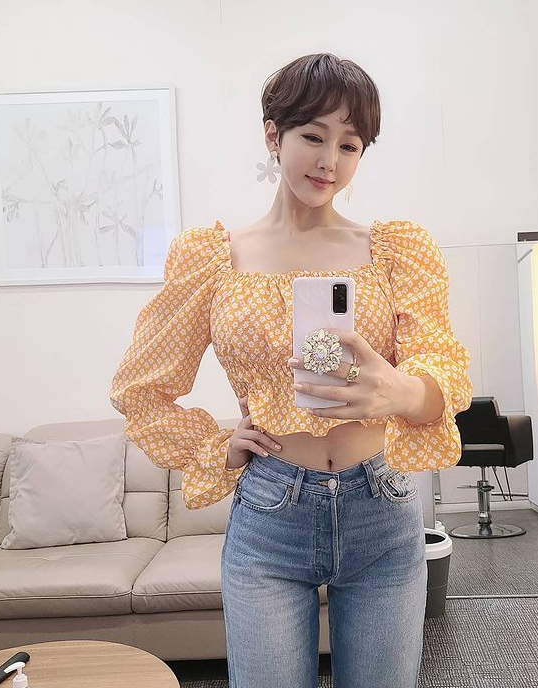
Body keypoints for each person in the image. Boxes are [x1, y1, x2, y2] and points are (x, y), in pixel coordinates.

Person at [109, 52, 473, 688]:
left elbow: (443, 367)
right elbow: (141, 388)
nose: (329, 160)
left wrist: (398, 390)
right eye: (313, 135)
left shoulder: (394, 251)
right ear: (273, 135)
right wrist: (215, 446)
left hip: (382, 507)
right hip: (271, 512)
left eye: (350, 144)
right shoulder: (213, 259)